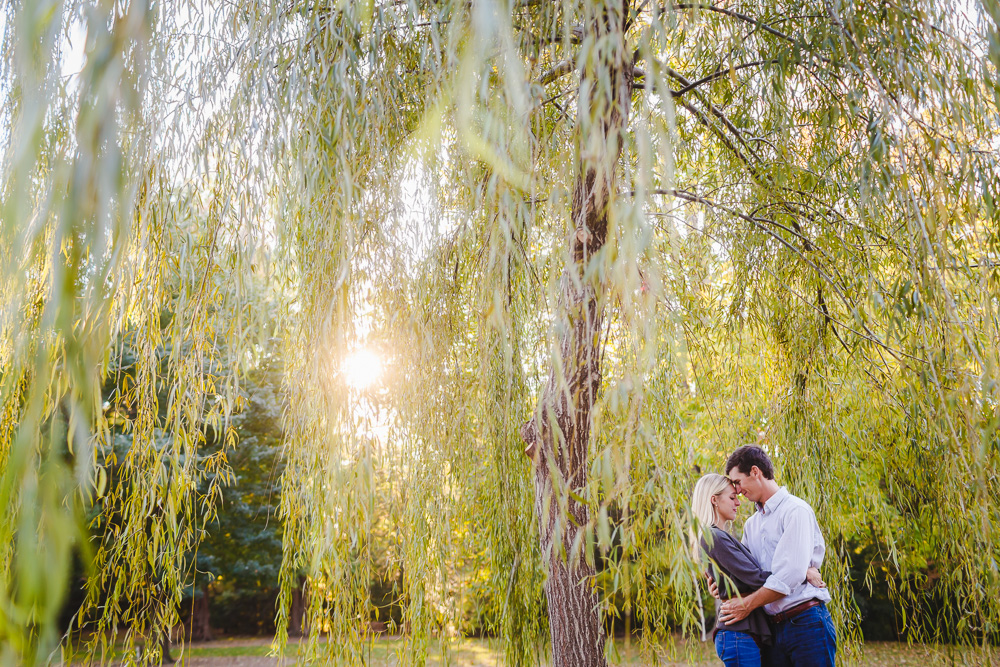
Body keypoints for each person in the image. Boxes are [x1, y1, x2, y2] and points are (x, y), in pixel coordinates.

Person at [716, 445, 837, 667]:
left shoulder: (795, 510)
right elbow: (745, 573)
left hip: (806, 623)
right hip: (771, 629)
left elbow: (788, 575)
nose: (738, 490)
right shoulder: (752, 525)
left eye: (738, 482)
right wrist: (720, 582)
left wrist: (748, 604)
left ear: (755, 471)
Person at [692, 474, 825, 667]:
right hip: (739, 634)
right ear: (714, 500)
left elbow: (748, 573)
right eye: (732, 498)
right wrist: (801, 570)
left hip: (747, 632)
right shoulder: (714, 537)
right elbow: (756, 577)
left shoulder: (720, 536)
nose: (738, 502)